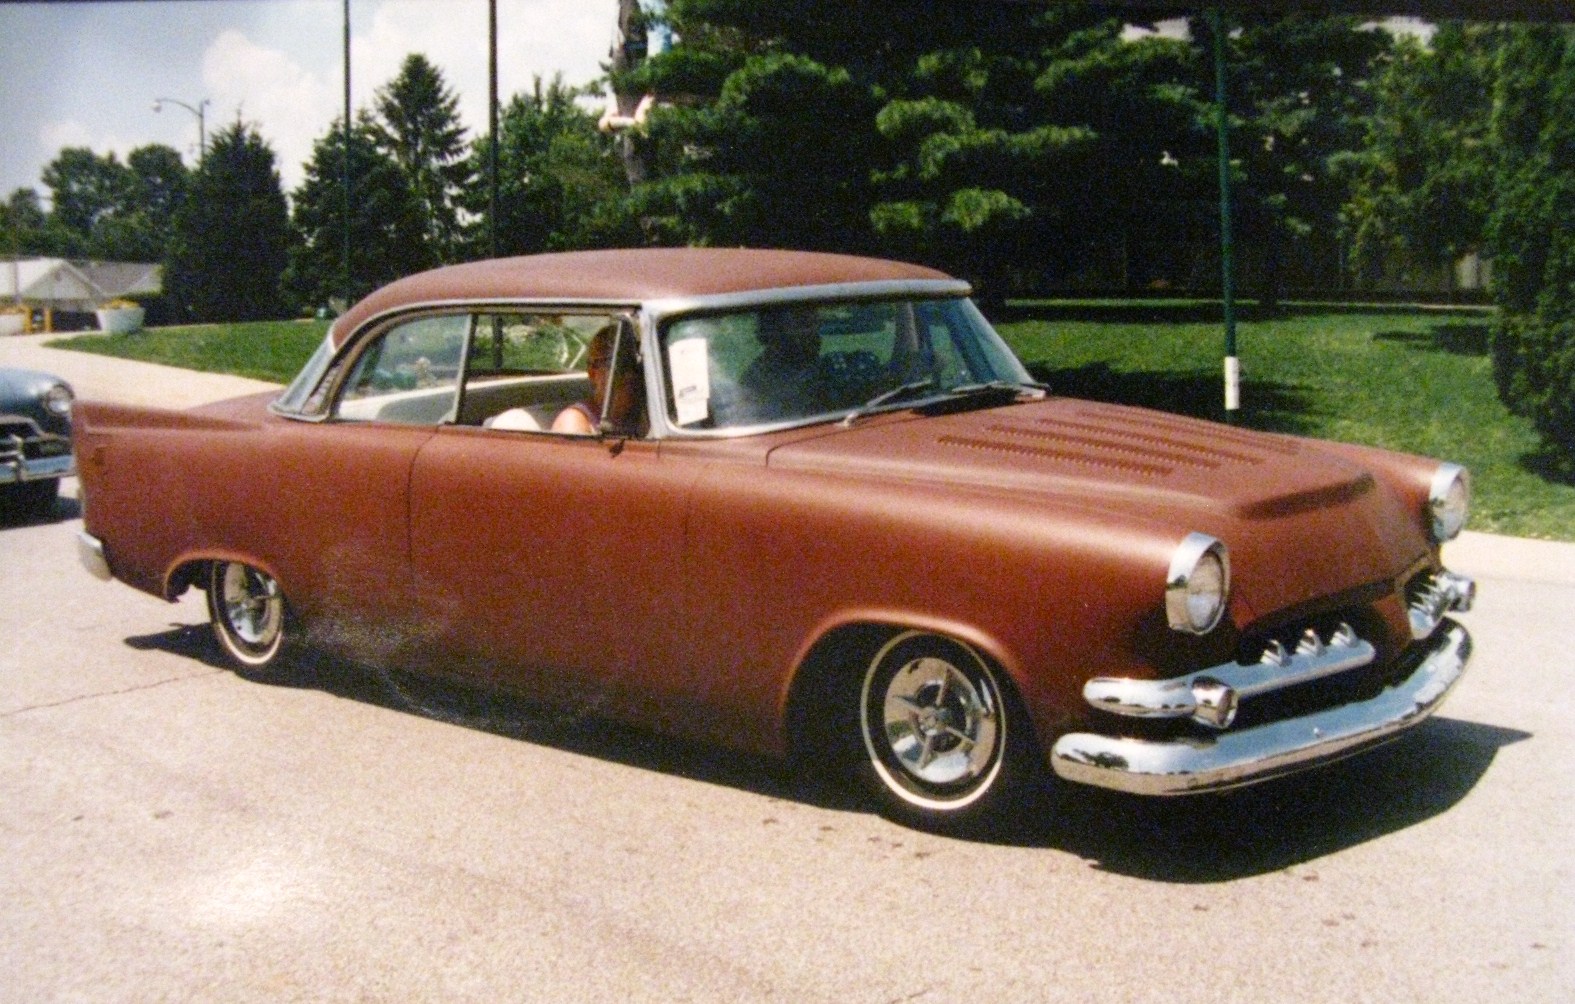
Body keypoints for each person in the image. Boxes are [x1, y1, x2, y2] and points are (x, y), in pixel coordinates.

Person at [551, 322, 646, 435]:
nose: (629, 372)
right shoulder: (575, 421)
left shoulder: (644, 416)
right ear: (593, 373)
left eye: (634, 362)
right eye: (616, 363)